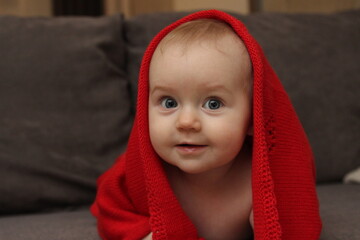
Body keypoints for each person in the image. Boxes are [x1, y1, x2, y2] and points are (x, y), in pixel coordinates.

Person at [91, 10, 322, 240]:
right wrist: (147, 234)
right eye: (169, 102)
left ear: (254, 118)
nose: (186, 122)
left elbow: (299, 218)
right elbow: (110, 209)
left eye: (213, 103)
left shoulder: (266, 182)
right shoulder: (136, 174)